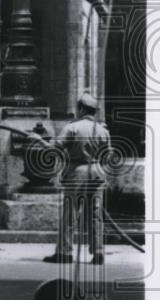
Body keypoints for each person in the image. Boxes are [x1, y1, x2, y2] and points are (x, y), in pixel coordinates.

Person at [43, 93, 111, 265]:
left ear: (81, 108)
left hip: (78, 171)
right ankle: (98, 252)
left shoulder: (72, 127)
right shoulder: (103, 130)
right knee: (95, 214)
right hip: (97, 171)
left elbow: (55, 148)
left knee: (70, 213)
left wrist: (38, 140)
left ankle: (64, 253)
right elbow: (108, 155)